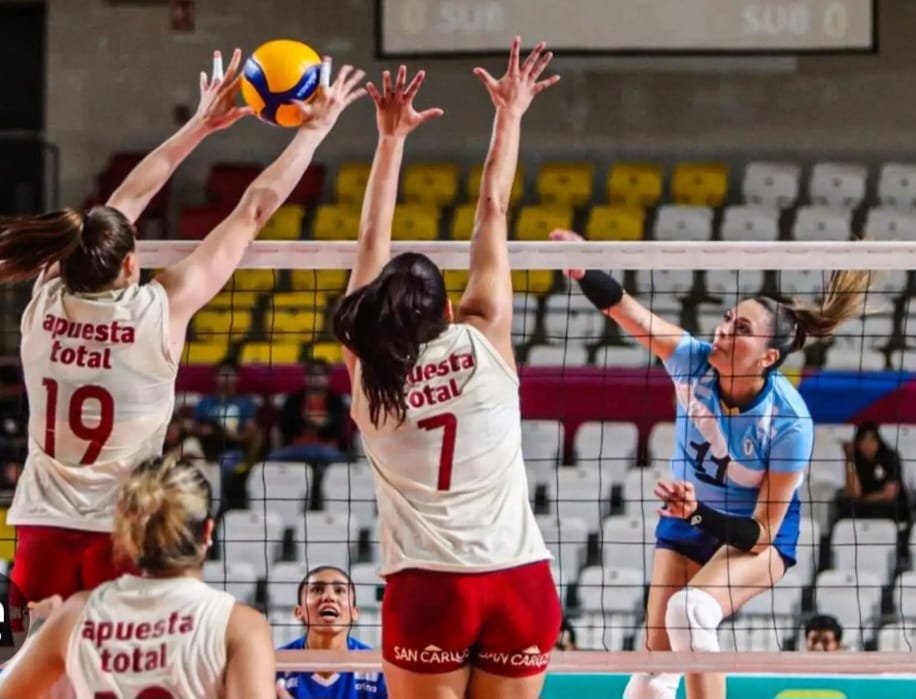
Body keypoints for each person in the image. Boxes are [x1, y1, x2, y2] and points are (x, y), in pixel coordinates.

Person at [0, 49, 367, 629]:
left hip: (41, 532)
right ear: (127, 269)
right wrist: (313, 131)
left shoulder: (43, 300)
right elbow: (252, 211)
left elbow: (118, 207)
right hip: (122, 533)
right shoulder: (158, 311)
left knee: (30, 678)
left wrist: (200, 122)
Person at [549, 227, 871, 699]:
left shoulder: (788, 422)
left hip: (754, 532)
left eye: (741, 330)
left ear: (769, 357)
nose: (722, 330)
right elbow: (624, 308)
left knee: (691, 610)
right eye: (726, 319)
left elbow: (762, 531)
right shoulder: (692, 362)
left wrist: (697, 512)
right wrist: (582, 268)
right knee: (656, 663)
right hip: (687, 520)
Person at [332, 40, 562, 699]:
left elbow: (369, 242)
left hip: (429, 586)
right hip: (518, 580)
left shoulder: (367, 373)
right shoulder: (486, 336)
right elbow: (493, 208)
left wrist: (389, 141)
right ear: (450, 307)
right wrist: (511, 112)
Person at [0, 456, 276, 699]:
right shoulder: (240, 626)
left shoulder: (74, 616)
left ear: (127, 535)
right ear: (207, 532)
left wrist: (40, 629)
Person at [276, 566, 387, 699]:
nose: (329, 597)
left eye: (339, 590)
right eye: (317, 590)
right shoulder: (275, 666)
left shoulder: (377, 670)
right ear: (299, 612)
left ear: (354, 612)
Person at [836, 421, 910, 523]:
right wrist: (849, 459)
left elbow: (889, 494)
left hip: (887, 508)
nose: (868, 444)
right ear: (857, 443)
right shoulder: (856, 460)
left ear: (878, 441)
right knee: (846, 508)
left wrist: (865, 500)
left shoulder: (890, 457)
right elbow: (854, 493)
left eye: (872, 439)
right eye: (863, 440)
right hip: (864, 508)